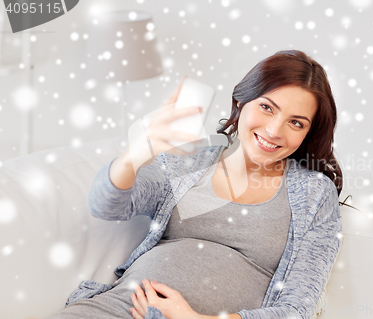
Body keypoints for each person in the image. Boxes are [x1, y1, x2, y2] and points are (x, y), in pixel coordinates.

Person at [50, 49, 343, 319]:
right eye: (267, 107)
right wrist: (136, 153)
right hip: (115, 308)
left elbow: (296, 309)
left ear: (307, 132)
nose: (274, 130)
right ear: (241, 101)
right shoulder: (189, 160)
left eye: (296, 123)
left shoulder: (314, 193)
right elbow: (107, 205)